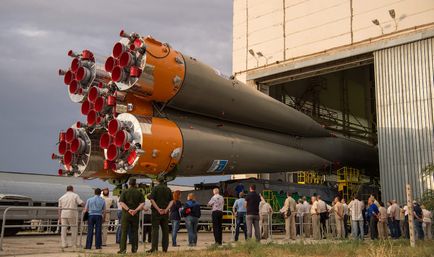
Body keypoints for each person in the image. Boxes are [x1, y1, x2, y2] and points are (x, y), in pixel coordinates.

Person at [118, 178, 146, 254]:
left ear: (129, 184)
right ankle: (134, 249)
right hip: (135, 215)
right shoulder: (139, 193)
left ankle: (123, 250)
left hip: (126, 215)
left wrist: (128, 210)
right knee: (135, 232)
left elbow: (121, 202)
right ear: (135, 184)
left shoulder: (125, 192)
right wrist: (136, 210)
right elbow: (142, 203)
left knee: (124, 232)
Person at [148, 178, 173, 253]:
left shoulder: (155, 188)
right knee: (165, 231)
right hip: (165, 213)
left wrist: (158, 209)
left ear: (158, 181)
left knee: (155, 230)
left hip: (156, 213)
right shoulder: (168, 189)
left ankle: (154, 248)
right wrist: (166, 209)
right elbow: (171, 201)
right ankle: (165, 249)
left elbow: (152, 200)